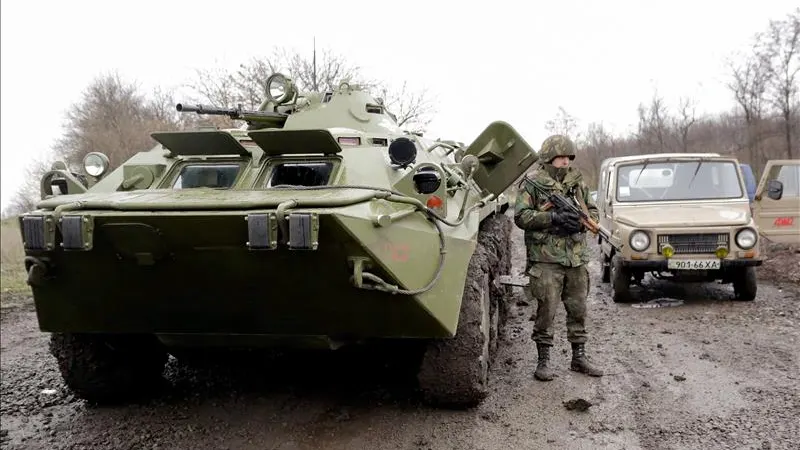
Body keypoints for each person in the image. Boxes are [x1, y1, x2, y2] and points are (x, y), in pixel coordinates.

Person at [513, 134, 604, 381]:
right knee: (547, 312)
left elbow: (592, 211)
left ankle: (579, 358)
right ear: (549, 157)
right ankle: (543, 362)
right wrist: (552, 219)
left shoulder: (577, 182)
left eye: (568, 157)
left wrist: (580, 223)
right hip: (546, 260)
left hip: (575, 258)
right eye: (560, 157)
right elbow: (521, 217)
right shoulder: (532, 183)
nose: (565, 162)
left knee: (578, 309)